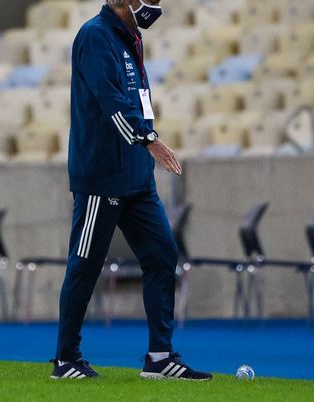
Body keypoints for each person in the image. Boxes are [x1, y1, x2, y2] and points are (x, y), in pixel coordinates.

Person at [50, 0, 212, 381]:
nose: (156, 5)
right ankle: (65, 359)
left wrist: (144, 149)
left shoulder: (130, 38)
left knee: (162, 254)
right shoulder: (95, 36)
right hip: (102, 176)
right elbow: (112, 104)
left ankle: (159, 357)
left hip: (137, 179)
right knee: (86, 263)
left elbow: (135, 101)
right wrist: (149, 139)